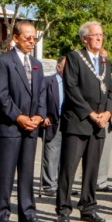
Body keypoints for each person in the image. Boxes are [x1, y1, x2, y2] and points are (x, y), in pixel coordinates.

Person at [55, 21, 112, 222]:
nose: (99, 37)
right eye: (95, 34)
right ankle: (63, 208)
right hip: (79, 121)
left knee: (92, 168)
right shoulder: (74, 57)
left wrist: (108, 112)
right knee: (69, 167)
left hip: (99, 122)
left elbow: (111, 91)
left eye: (101, 34)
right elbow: (71, 89)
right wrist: (90, 113)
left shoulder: (105, 61)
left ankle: (88, 206)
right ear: (84, 38)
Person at [0, 20, 47, 222]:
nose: (32, 41)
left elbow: (42, 93)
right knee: (6, 172)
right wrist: (18, 116)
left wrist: (39, 116)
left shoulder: (37, 64)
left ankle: (27, 212)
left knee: (27, 171)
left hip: (31, 126)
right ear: (15, 37)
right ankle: (2, 214)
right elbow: (2, 95)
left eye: (34, 37)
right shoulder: (3, 61)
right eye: (27, 37)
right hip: (11, 126)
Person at [40, 56, 66, 197]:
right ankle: (49, 185)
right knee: (51, 154)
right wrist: (43, 116)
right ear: (58, 67)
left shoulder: (73, 83)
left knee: (66, 155)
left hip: (69, 122)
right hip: (52, 120)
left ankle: (63, 185)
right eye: (65, 66)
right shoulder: (47, 81)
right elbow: (41, 100)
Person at [96, 48, 112, 193]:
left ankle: (101, 181)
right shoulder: (91, 72)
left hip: (108, 116)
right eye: (102, 57)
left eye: (106, 58)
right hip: (94, 116)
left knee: (106, 152)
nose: (104, 60)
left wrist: (109, 112)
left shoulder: (108, 73)